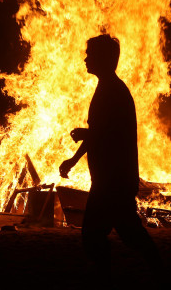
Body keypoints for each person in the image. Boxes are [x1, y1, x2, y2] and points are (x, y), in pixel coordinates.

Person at [59, 34, 162, 282]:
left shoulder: (113, 91)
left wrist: (85, 137)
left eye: (90, 54)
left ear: (104, 58)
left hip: (113, 180)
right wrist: (73, 160)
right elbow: (99, 133)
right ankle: (157, 272)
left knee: (94, 234)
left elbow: (108, 134)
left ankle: (106, 276)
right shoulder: (107, 88)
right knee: (128, 232)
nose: (85, 58)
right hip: (112, 179)